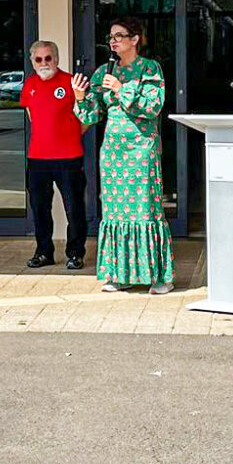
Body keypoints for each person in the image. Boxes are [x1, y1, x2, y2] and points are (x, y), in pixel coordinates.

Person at [73, 17, 172, 294]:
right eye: (111, 36)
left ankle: (160, 276)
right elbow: (91, 115)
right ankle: (120, 274)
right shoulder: (104, 71)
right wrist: (80, 97)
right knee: (115, 212)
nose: (113, 41)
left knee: (146, 210)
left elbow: (153, 107)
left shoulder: (150, 68)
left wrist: (120, 88)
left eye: (119, 35)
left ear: (135, 39)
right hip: (113, 152)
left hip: (142, 149)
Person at [19, 39, 89, 270]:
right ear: (32, 62)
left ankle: (76, 254)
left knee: (74, 208)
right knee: (40, 208)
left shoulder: (72, 82)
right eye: (38, 59)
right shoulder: (29, 84)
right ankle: (43, 252)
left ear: (56, 59)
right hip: (37, 158)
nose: (44, 63)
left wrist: (69, 136)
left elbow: (87, 118)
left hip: (68, 157)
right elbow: (32, 116)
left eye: (48, 58)